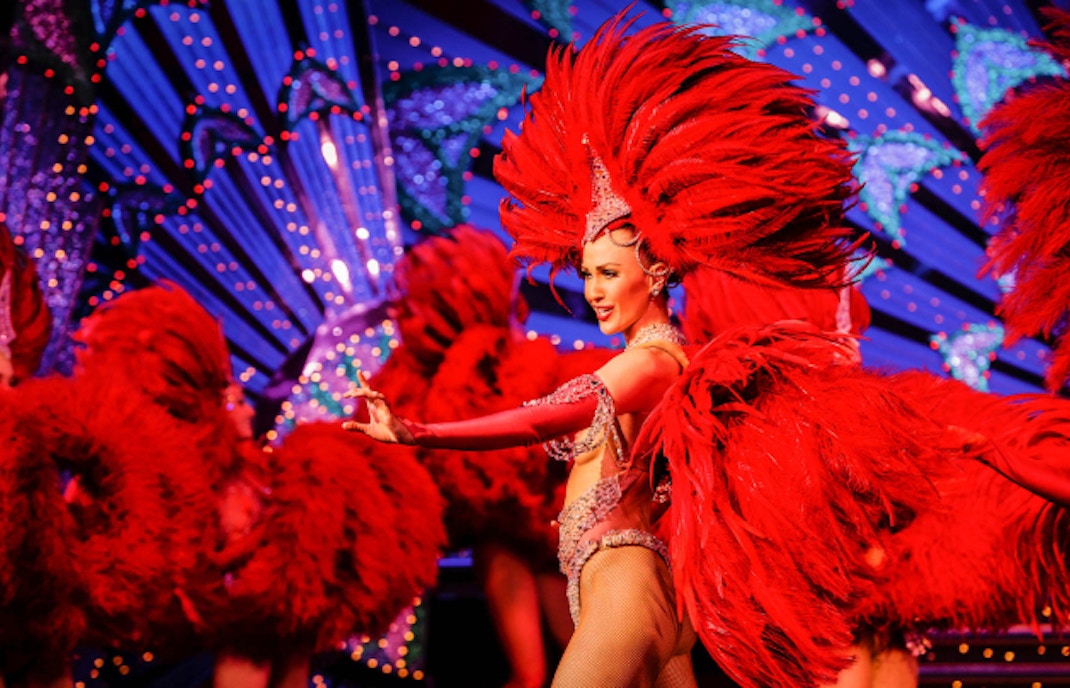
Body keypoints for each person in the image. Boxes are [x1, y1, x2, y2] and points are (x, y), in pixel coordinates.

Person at [345, 11, 860, 686]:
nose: (591, 289)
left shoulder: (651, 361)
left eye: (608, 273)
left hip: (627, 590)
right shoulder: (651, 357)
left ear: (658, 274)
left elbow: (536, 421)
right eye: (586, 273)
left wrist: (420, 431)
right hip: (626, 589)